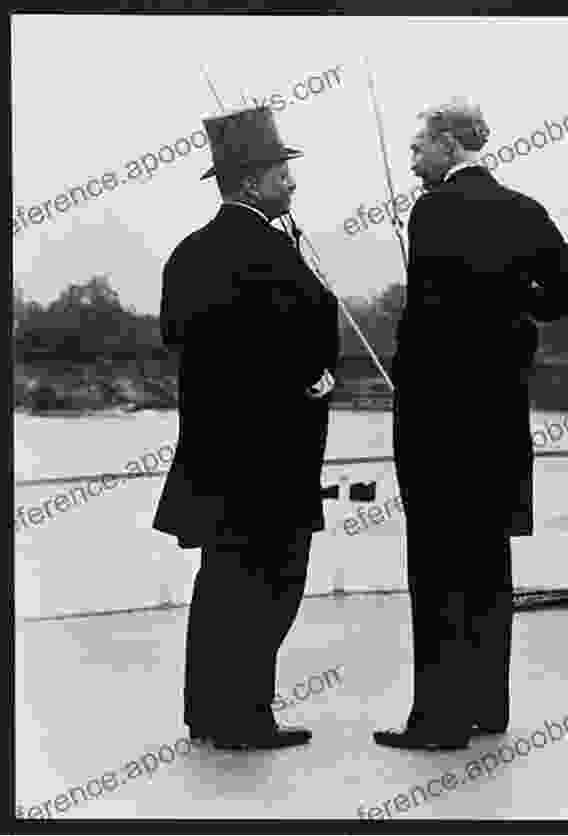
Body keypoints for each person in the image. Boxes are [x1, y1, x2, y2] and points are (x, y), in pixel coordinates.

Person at [375, 98, 568, 750]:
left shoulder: (433, 210)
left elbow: (433, 319)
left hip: (440, 420)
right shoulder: (523, 209)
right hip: (501, 419)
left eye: (419, 146)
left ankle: (438, 720)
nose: (414, 158)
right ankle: (486, 706)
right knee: (487, 563)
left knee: (439, 566)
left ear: (449, 144)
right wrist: (522, 302)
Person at [153, 106, 340, 750]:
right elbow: (302, 329)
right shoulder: (269, 250)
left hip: (212, 457)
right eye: (283, 172)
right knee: (272, 586)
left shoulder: (187, 253)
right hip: (270, 459)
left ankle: (208, 712)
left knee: (220, 586)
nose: (292, 183)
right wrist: (309, 378)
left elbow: (180, 339)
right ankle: (246, 717)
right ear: (253, 180)